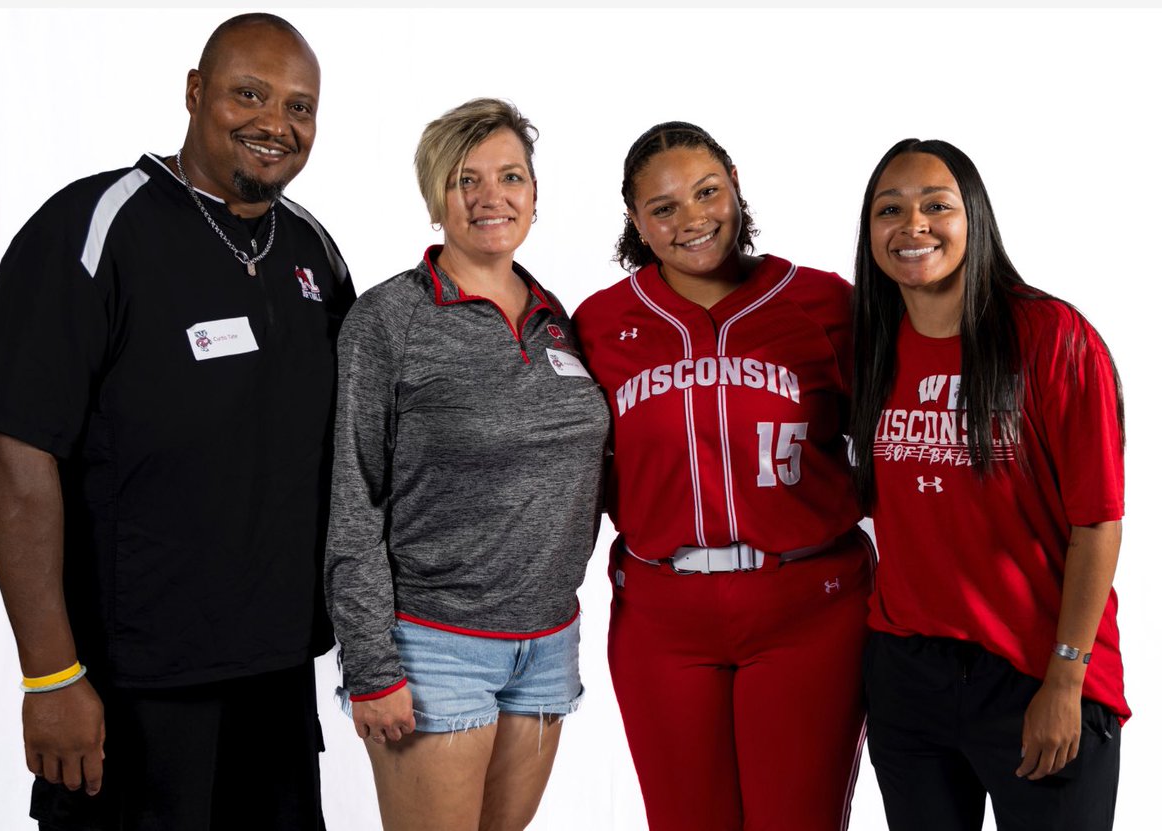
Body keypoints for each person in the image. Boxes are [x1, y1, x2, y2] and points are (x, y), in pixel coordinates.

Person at [0, 13, 354, 830]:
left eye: (300, 106)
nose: (275, 124)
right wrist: (50, 674)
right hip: (129, 686)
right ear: (194, 91)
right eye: (249, 93)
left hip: (276, 682)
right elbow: (12, 452)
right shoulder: (95, 225)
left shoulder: (314, 251)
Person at [572, 122, 872, 831]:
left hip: (809, 606)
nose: (692, 218)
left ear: (735, 183)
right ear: (635, 219)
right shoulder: (599, 322)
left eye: (707, 192)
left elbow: (898, 440)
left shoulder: (827, 304)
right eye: (664, 206)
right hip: (662, 613)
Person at [324, 98, 608, 831]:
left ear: (536, 197)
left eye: (511, 176)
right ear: (434, 199)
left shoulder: (559, 318)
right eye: (465, 179)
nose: (491, 197)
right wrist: (371, 665)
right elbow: (353, 497)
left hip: (548, 643)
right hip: (432, 645)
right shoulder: (389, 320)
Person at [849, 139, 1126, 831]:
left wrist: (1065, 677)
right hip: (908, 675)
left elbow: (1097, 521)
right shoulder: (872, 344)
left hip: (1037, 667)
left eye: (936, 205)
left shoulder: (1051, 338)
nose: (913, 225)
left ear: (974, 216)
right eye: (891, 209)